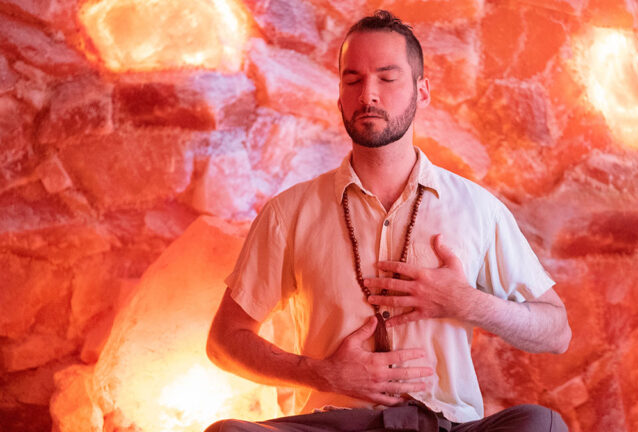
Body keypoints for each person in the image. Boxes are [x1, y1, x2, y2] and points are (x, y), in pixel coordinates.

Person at [205, 9, 571, 432]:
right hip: (334, 424)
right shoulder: (288, 212)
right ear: (339, 94)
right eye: (353, 79)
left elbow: (556, 331)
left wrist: (466, 303)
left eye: (387, 77)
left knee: (540, 424)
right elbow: (224, 341)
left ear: (423, 92)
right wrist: (322, 373)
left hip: (446, 425)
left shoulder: (478, 208)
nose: (368, 95)